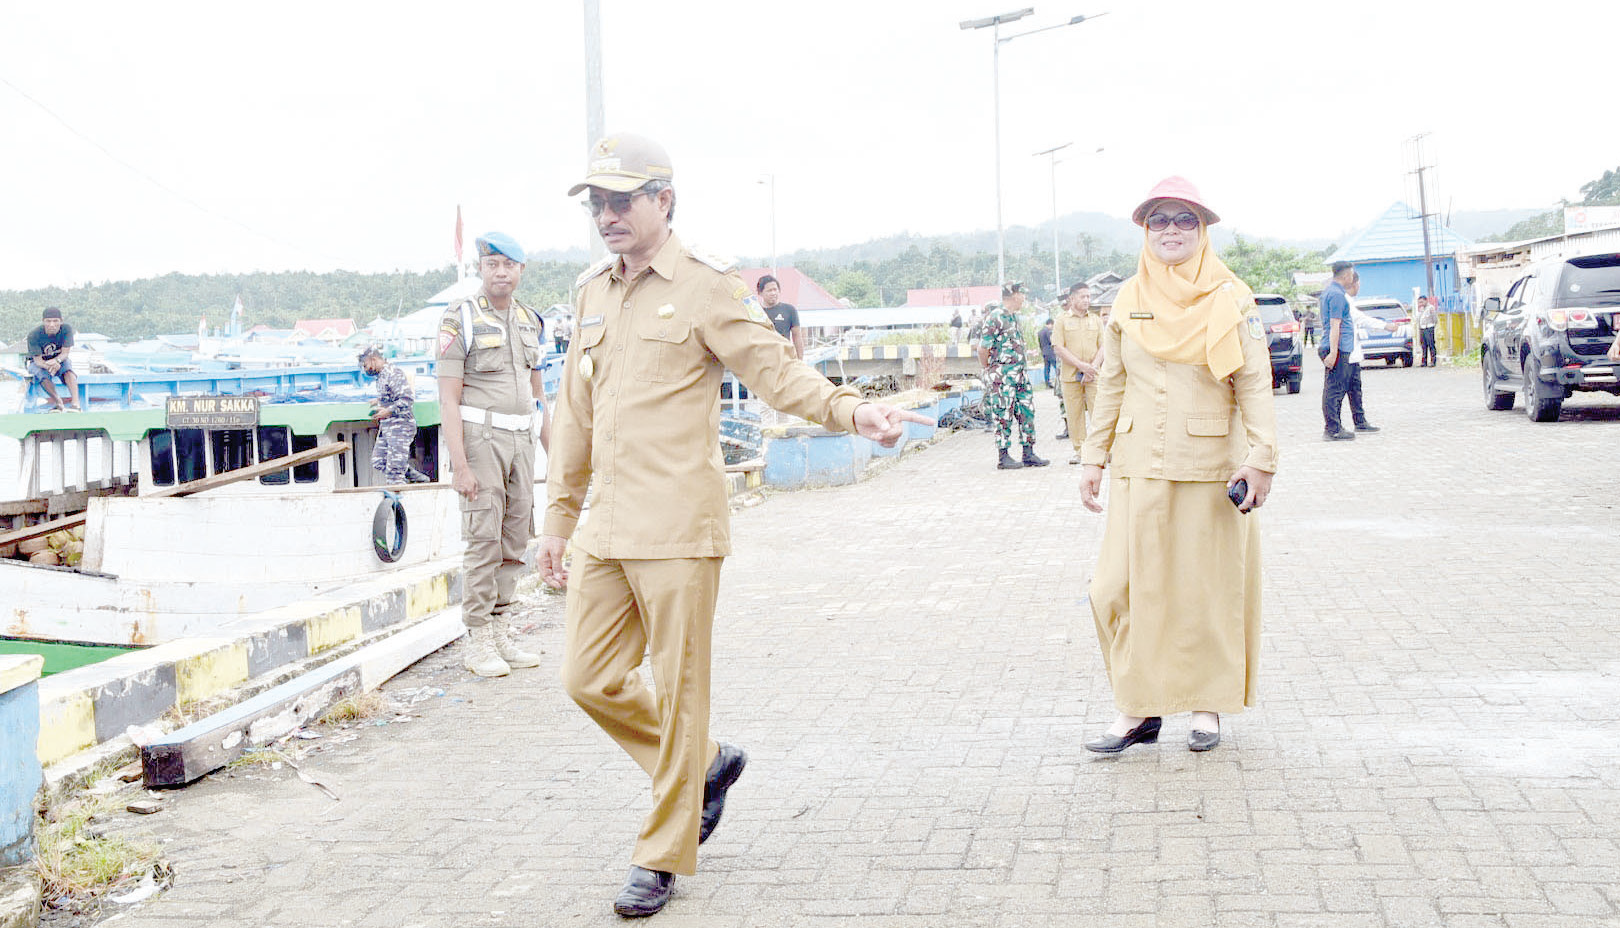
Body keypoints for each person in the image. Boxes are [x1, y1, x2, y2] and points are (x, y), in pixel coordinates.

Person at [539, 133, 931, 919]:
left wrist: (855, 411)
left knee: (681, 695)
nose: (608, 216)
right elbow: (575, 415)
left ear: (665, 202)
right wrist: (558, 516)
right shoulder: (590, 292)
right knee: (586, 678)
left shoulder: (709, 287)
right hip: (605, 528)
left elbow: (777, 374)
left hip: (679, 524)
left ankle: (662, 852)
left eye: (623, 200)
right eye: (598, 204)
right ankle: (707, 767)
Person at [1077, 176, 1278, 754]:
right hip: (1138, 465)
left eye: (1184, 219)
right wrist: (1093, 456)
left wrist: (1261, 459)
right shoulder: (1128, 298)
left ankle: (1206, 706)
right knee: (1117, 589)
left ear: (1203, 229)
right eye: (1159, 219)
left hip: (1213, 464)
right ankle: (1138, 708)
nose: (1171, 229)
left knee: (1206, 590)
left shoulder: (1231, 298)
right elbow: (1111, 384)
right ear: (1145, 230)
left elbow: (1256, 382)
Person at [436, 232, 551, 678]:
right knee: (483, 540)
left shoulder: (530, 320)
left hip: (522, 442)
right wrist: (459, 465)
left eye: (508, 264)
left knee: (515, 540)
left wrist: (554, 455)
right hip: (481, 441)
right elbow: (447, 399)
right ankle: (477, 636)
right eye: (491, 264)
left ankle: (501, 627)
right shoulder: (459, 318)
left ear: (521, 270)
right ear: (481, 270)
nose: (500, 272)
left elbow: (539, 397)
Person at [978, 283, 1048, 470]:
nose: (1024, 298)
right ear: (1013, 295)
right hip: (1003, 376)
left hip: (1020, 375)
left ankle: (1028, 452)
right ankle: (1003, 456)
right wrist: (990, 369)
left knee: (1027, 411)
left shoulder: (1013, 317)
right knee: (1003, 414)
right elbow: (982, 348)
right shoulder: (995, 317)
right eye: (1022, 294)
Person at [1050, 282, 1105, 464]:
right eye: (1082, 296)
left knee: (1099, 413)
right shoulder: (1062, 320)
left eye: (1088, 296)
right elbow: (1058, 347)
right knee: (1075, 415)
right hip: (1071, 376)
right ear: (1072, 298)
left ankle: (1100, 450)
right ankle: (1080, 451)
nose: (1086, 300)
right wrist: (1082, 366)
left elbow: (1104, 346)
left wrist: (1093, 367)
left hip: (1093, 375)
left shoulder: (1095, 320)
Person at [360, 345, 429, 485]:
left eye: (365, 365)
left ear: (373, 360)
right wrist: (379, 401)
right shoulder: (381, 376)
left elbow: (407, 399)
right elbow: (392, 396)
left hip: (400, 426)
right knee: (379, 460)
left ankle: (398, 496)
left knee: (395, 472)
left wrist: (388, 410)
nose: (365, 370)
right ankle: (414, 475)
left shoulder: (393, 373)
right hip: (387, 427)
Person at [1318, 262, 1359, 440]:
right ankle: (1333, 429)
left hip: (1337, 347)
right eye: (1351, 274)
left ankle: (1335, 426)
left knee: (1333, 389)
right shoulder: (1337, 295)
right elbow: (1336, 324)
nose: (1352, 278)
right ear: (1346, 276)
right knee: (1334, 390)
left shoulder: (1330, 292)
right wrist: (1334, 352)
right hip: (1337, 348)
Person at [25, 307, 79, 412]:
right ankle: (58, 402)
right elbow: (38, 361)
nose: (52, 324)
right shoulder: (33, 335)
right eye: (48, 321)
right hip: (40, 362)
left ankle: (76, 404)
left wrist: (57, 361)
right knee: (41, 374)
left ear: (61, 321)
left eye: (55, 321)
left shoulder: (66, 330)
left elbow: (65, 353)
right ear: (43, 321)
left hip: (59, 359)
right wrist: (50, 366)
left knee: (68, 370)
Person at [756, 274, 804, 359]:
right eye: (769, 290)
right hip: (763, 360)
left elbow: (797, 336)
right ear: (760, 293)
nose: (773, 293)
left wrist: (800, 360)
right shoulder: (756, 312)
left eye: (775, 290)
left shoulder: (789, 310)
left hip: (785, 358)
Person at [1416, 295, 1439, 366]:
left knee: (1431, 345)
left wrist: (1432, 326)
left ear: (1426, 301)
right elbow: (1418, 319)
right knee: (1423, 346)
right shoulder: (1420, 309)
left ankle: (1433, 361)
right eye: (1419, 302)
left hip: (1429, 328)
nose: (1421, 304)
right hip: (1422, 328)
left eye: (1422, 302)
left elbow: (1435, 319)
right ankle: (1424, 362)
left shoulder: (1430, 308)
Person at [1037, 317, 1058, 392]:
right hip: (1050, 352)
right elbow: (1051, 341)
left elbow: (1040, 343)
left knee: (1046, 368)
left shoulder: (1040, 332)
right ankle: (1059, 382)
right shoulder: (1048, 331)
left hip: (1044, 352)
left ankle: (1047, 383)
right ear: (1050, 324)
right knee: (1057, 367)